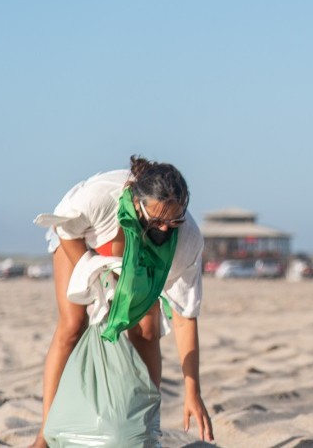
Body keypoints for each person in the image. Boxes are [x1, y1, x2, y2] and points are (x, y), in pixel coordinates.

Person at [30, 156, 214, 446]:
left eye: (174, 220)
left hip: (139, 257)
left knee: (147, 330)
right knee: (73, 325)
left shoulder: (187, 239)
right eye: (158, 221)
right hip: (81, 235)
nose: (166, 229)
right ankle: (45, 434)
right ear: (138, 202)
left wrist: (193, 391)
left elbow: (184, 315)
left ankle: (142, 427)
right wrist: (96, 276)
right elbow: (66, 230)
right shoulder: (100, 198)